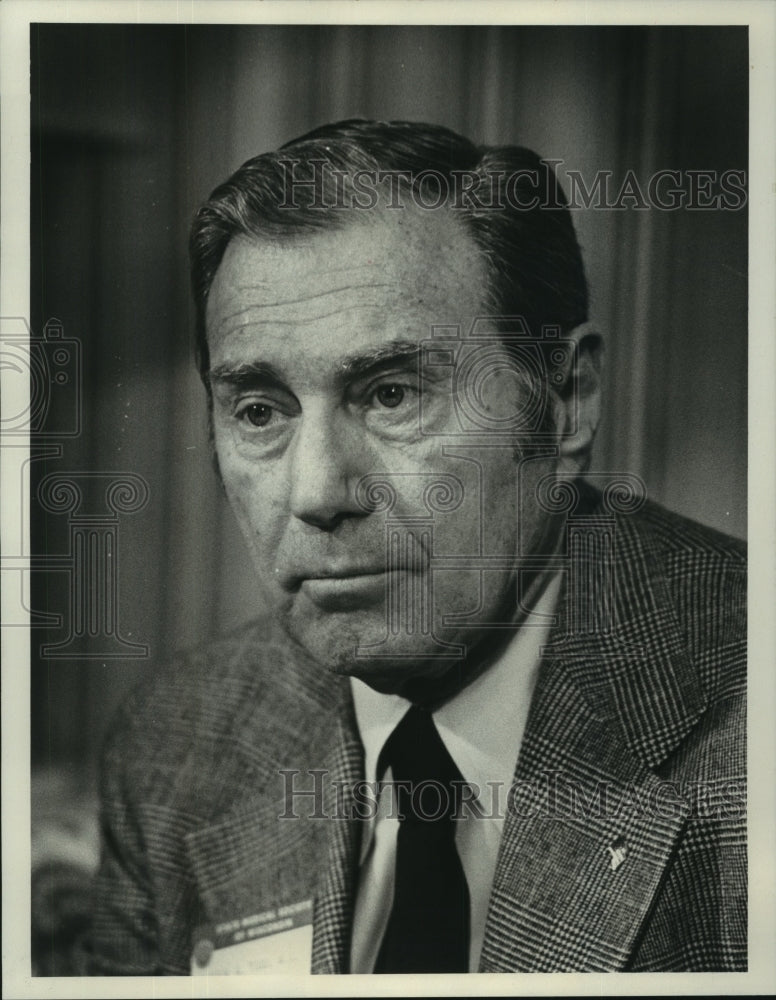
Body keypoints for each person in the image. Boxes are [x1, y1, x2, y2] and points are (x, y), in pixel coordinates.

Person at [86, 120, 746, 975]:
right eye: (260, 411)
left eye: (392, 394)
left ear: (566, 401)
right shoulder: (173, 745)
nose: (317, 492)